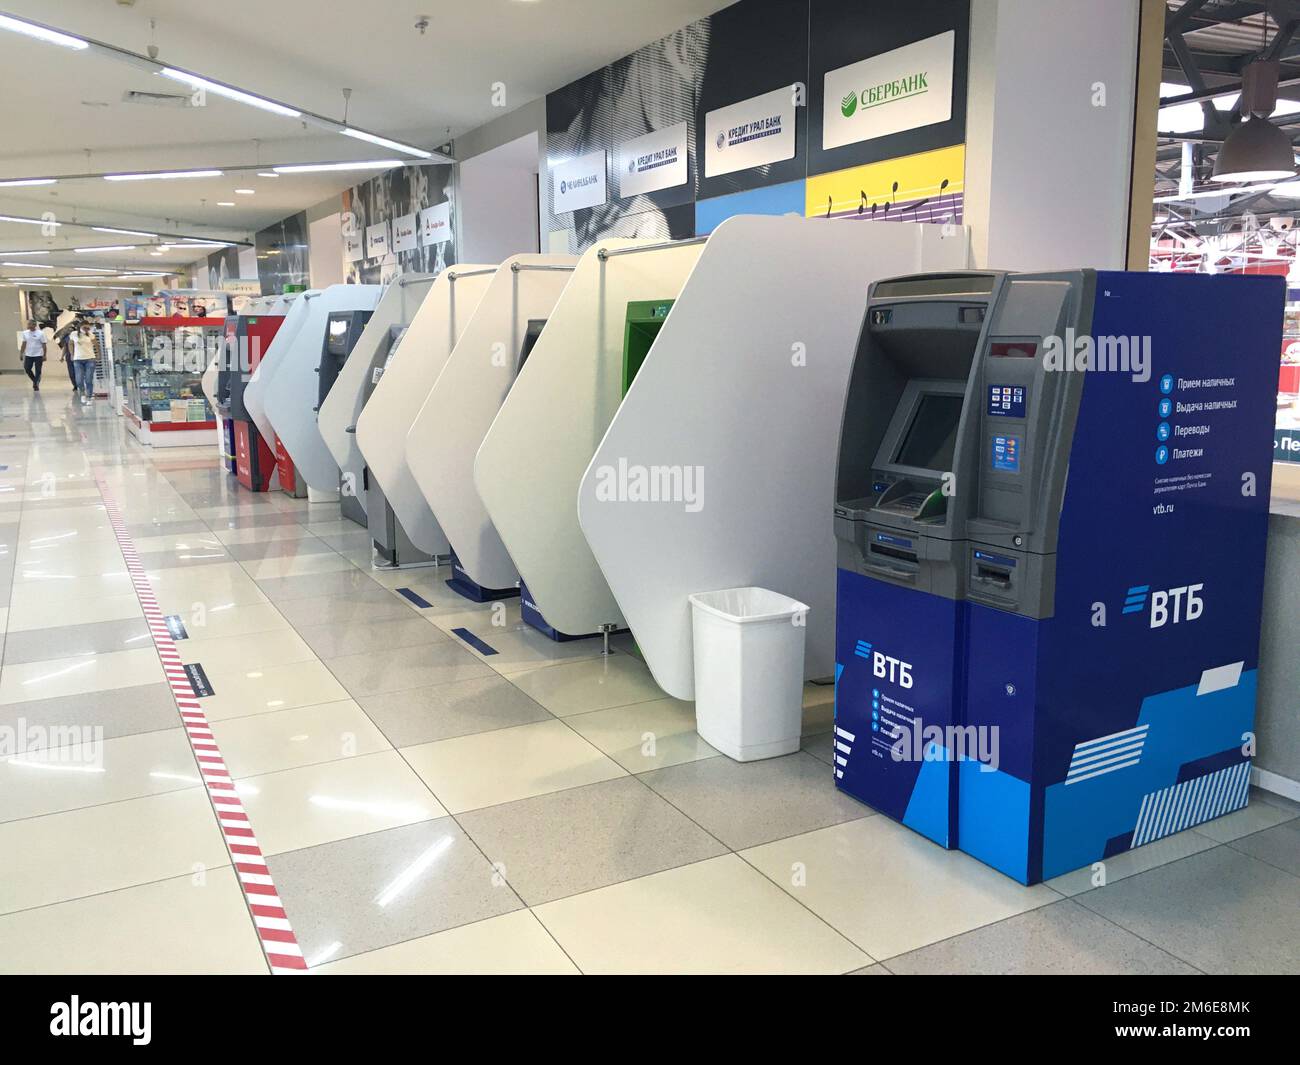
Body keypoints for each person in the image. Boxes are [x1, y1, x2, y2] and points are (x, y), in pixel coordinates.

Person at [71, 322, 96, 405]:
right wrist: (72, 354)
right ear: (80, 327)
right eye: (85, 327)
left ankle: (89, 397)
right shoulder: (74, 334)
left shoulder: (90, 335)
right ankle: (82, 394)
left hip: (90, 359)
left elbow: (96, 344)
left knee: (88, 379)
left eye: (87, 328)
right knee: (79, 380)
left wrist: (98, 354)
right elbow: (70, 344)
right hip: (78, 359)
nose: (86, 329)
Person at [17, 318, 46, 392]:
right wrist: (21, 353)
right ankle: (35, 381)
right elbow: (24, 344)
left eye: (29, 324)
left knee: (38, 370)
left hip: (38, 355)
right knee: (27, 369)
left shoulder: (40, 333)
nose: (28, 325)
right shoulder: (25, 333)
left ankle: (35, 384)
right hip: (28, 355)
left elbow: (44, 344)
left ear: (34, 325)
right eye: (28, 324)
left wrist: (44, 355)